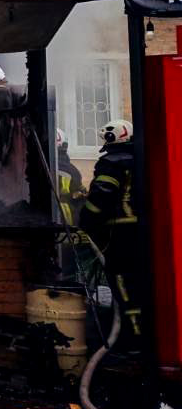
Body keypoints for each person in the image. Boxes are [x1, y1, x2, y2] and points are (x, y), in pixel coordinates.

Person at [80, 118, 143, 345]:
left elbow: (100, 198)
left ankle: (132, 339)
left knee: (123, 284)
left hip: (119, 233)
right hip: (141, 232)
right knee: (139, 283)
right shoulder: (139, 159)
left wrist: (85, 221)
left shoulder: (111, 163)